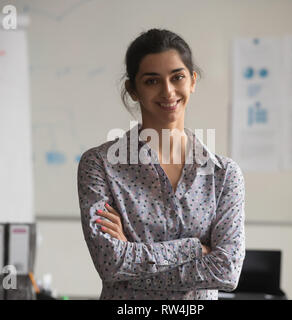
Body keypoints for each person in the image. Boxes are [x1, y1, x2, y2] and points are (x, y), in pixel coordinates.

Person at [77, 28, 245, 300]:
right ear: (133, 90)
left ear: (192, 81)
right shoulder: (99, 165)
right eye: (152, 81)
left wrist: (133, 261)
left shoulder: (224, 174)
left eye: (177, 77)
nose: (168, 91)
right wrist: (195, 249)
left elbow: (227, 271)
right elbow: (112, 264)